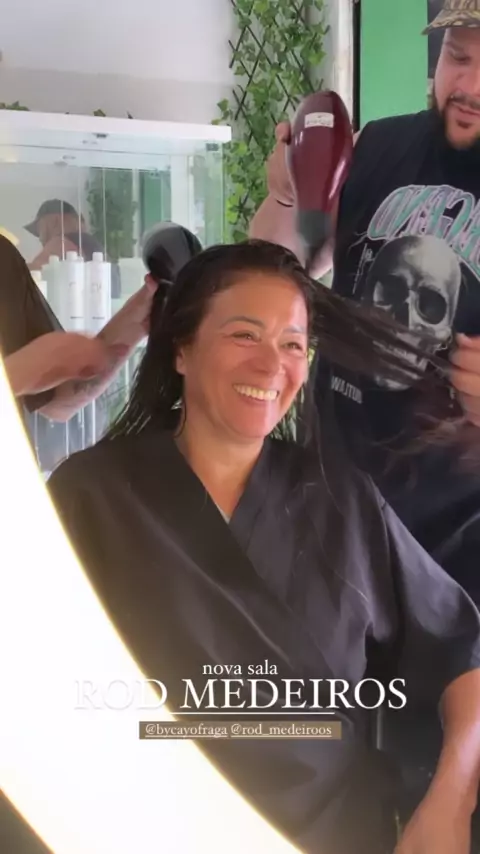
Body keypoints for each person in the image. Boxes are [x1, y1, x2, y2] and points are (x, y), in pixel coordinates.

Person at [47, 240, 480, 854]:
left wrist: (449, 803)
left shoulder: (344, 501)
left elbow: (464, 654)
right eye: (244, 335)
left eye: (293, 345)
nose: (271, 364)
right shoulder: (91, 497)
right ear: (181, 348)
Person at [249, 1, 480, 836]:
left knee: (437, 780)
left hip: (459, 549)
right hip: (335, 508)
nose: (470, 84)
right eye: (459, 56)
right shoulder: (379, 146)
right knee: (312, 772)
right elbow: (281, 263)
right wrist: (287, 191)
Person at [0, 232, 156, 422]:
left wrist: (137, 322)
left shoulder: (4, 257)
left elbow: (58, 403)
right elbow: (30, 373)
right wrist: (25, 369)